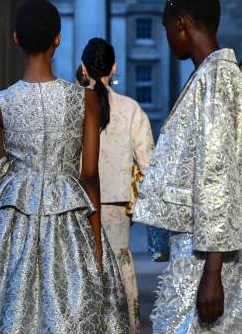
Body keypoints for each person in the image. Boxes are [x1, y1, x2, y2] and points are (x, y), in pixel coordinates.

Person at [0, 0, 129, 333]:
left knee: (9, 313)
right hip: (70, 218)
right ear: (58, 40)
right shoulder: (86, 99)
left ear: (16, 38)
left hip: (10, 219)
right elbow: (89, 176)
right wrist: (96, 248)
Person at [133, 0, 242, 333]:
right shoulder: (213, 76)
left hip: (207, 258)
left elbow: (218, 175)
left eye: (166, 29)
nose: (166, 38)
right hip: (205, 251)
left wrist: (212, 274)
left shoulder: (217, 79)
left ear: (180, 23)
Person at [77, 38, 155, 334]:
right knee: (119, 279)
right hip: (117, 209)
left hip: (76, 206)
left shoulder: (72, 105)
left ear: (83, 67)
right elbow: (150, 167)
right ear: (114, 67)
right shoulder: (131, 109)